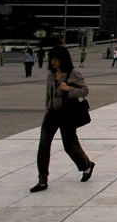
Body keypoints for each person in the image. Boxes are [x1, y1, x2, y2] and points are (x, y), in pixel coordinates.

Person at [30, 46, 94, 193]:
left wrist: (69, 90)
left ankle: (87, 165)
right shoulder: (50, 76)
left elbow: (85, 90)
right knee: (43, 146)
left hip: (67, 115)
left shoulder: (74, 73)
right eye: (51, 58)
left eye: (56, 59)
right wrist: (47, 110)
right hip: (51, 115)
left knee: (70, 145)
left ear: (63, 59)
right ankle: (42, 180)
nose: (53, 62)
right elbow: (48, 96)